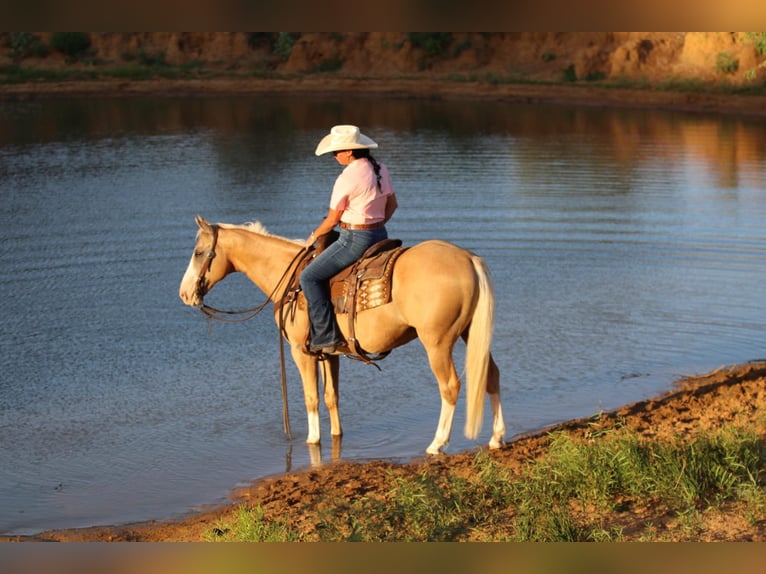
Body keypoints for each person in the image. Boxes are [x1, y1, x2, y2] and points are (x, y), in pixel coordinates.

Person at [300, 124, 398, 355]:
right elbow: (392, 205)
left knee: (309, 277)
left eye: (337, 151)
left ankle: (325, 338)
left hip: (355, 239)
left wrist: (313, 236)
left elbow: (333, 219)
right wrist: (375, 224)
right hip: (380, 235)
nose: (334, 156)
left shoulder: (348, 177)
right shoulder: (380, 168)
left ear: (349, 152)